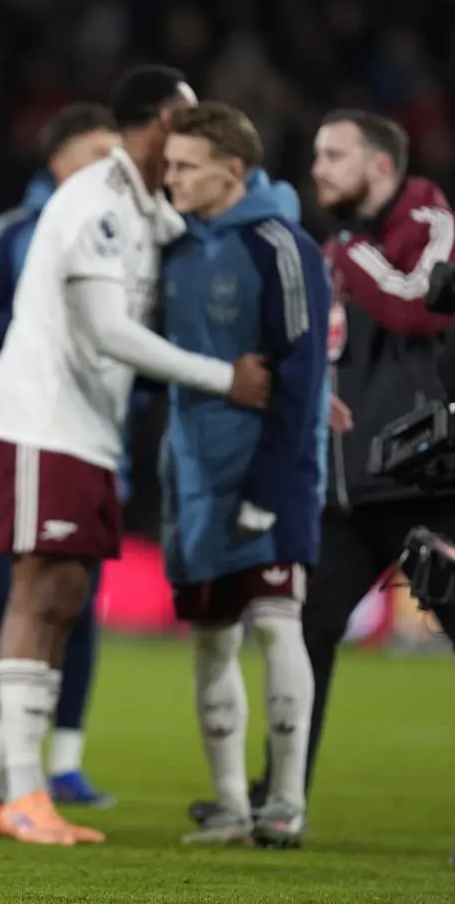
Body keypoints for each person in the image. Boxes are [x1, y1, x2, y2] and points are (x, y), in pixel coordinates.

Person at [0, 64, 272, 846]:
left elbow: (219, 218)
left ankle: (11, 791)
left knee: (66, 595)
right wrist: (222, 377)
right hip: (43, 421)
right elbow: (106, 330)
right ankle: (21, 790)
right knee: (37, 591)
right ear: (161, 122)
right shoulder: (95, 202)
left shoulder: (144, 205)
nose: (197, 132)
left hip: (88, 430)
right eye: (188, 118)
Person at [189, 109, 455, 827]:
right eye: (316, 154)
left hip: (426, 482)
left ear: (380, 164)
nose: (318, 169)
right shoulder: (337, 246)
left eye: (335, 155)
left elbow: (421, 309)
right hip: (346, 488)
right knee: (305, 631)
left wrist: (349, 254)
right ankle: (280, 799)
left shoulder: (428, 221)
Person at [160, 102, 328, 848]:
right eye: (169, 164)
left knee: (276, 622)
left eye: (185, 167)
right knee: (211, 636)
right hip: (193, 477)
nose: (171, 178)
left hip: (268, 473)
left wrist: (271, 486)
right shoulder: (175, 246)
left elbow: (302, 374)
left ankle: (285, 801)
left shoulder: (279, 244)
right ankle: (230, 805)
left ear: (232, 169)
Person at [0, 102, 119, 808]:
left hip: (96, 434)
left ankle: (66, 760)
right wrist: (40, 328)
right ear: (58, 161)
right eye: (95, 154)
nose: (108, 168)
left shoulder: (125, 233)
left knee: (77, 596)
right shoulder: (16, 231)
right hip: (20, 431)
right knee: (6, 591)